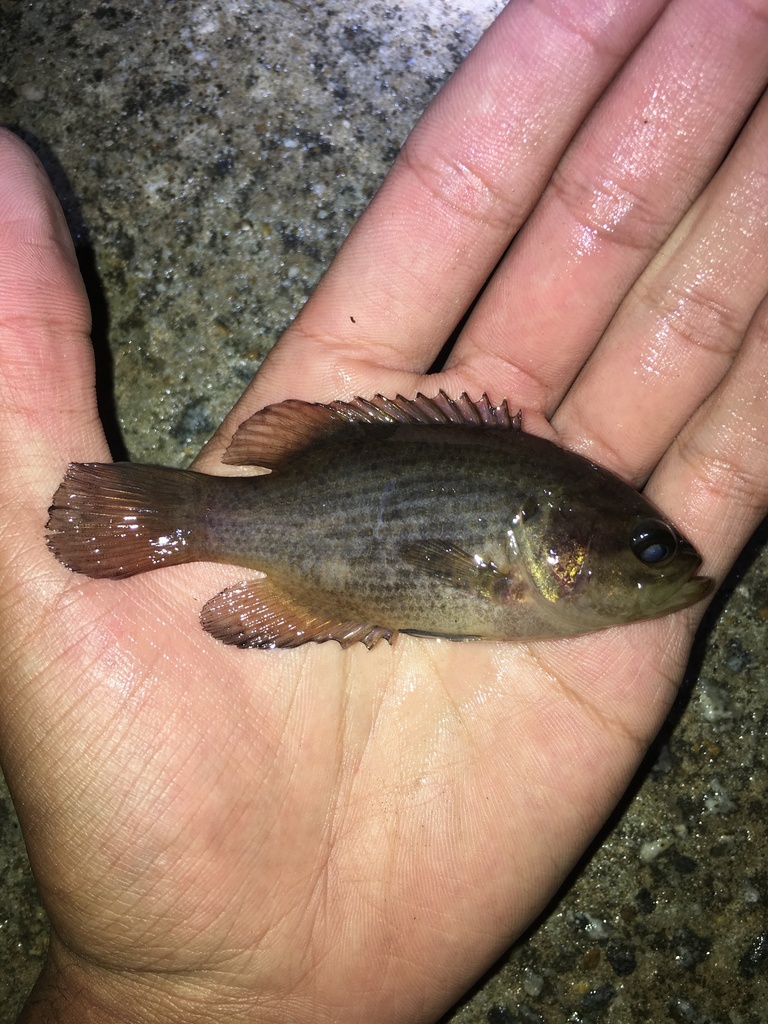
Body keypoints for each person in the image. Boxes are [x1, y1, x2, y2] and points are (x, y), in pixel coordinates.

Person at [1, 0, 767, 1020]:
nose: (664, 561)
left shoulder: (537, 558)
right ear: (559, 537)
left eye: (651, 545)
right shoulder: (517, 558)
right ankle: (182, 520)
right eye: (642, 544)